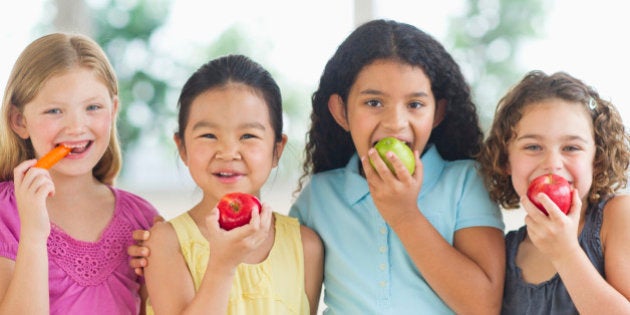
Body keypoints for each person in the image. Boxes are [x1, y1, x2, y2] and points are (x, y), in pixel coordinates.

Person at [290, 19, 505, 314]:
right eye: (374, 102)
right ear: (341, 111)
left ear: (438, 112)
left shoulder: (466, 182)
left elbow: (483, 305)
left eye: (415, 104)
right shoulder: (319, 195)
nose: (395, 123)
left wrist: (404, 214)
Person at [142, 54, 323, 315]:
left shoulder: (306, 247)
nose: (228, 152)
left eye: (248, 135)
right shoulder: (166, 243)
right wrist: (222, 265)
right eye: (208, 135)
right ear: (182, 147)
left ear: (277, 149)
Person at [0, 33, 159, 314]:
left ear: (114, 110)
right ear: (19, 121)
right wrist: (34, 236)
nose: (76, 126)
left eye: (93, 107)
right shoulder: (5, 213)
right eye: (54, 111)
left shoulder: (143, 219)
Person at [477, 70, 630, 314]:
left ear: (597, 159)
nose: (552, 163)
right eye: (533, 146)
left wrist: (565, 253)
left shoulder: (617, 217)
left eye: (571, 147)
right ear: (506, 160)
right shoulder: (505, 252)